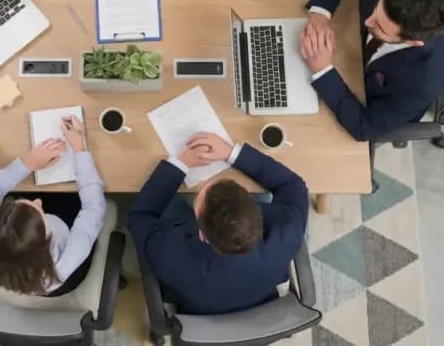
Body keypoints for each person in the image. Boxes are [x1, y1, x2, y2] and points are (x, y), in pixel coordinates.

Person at [128, 132, 309, 315]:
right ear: (254, 209)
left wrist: (179, 164)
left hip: (198, 305)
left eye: (200, 195)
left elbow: (140, 215)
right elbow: (293, 185)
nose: (202, 185)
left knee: (169, 202)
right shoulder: (287, 231)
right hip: (257, 294)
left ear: (202, 234)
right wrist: (231, 153)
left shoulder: (166, 252)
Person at [299, 0, 444, 142]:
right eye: (376, 9)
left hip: (366, 95)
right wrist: (320, 15)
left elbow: (364, 127)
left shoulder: (422, 86)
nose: (368, 21)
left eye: (380, 26)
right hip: (351, 50)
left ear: (413, 42)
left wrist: (322, 70)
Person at [0, 116, 105, 296]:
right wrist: (80, 150)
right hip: (64, 261)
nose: (38, 201)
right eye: (41, 212)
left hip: (17, 271)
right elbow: (94, 208)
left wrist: (27, 164)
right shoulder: (61, 264)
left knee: (39, 187)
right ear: (46, 242)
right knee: (70, 197)